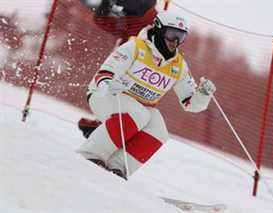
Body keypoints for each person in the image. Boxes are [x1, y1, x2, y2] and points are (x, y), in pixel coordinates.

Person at [77, 11, 216, 180]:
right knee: (138, 113)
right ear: (158, 29)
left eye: (181, 36)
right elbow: (106, 71)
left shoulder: (178, 65)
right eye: (172, 34)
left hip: (139, 106)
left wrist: (203, 94)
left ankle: (118, 167)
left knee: (159, 131)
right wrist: (108, 84)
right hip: (105, 95)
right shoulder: (135, 47)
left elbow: (190, 104)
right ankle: (90, 154)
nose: (175, 41)